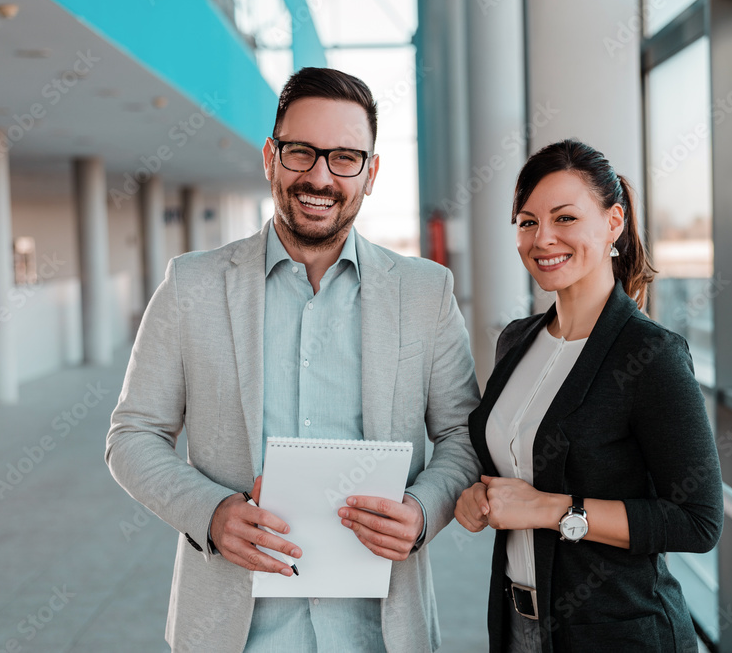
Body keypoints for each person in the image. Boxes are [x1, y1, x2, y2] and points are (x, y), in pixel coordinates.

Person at [106, 67, 481, 653]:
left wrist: (424, 510)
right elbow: (132, 435)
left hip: (381, 631)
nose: (320, 177)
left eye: (345, 158)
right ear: (270, 157)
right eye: (301, 152)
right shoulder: (192, 284)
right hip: (233, 632)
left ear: (372, 171)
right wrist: (211, 513)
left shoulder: (425, 292)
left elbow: (462, 434)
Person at [454, 139, 723, 652]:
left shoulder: (651, 355)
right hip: (517, 628)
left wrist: (550, 510)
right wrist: (479, 496)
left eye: (565, 218)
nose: (543, 238)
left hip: (620, 633)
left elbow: (698, 521)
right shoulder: (516, 340)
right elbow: (514, 464)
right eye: (528, 222)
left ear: (614, 223)